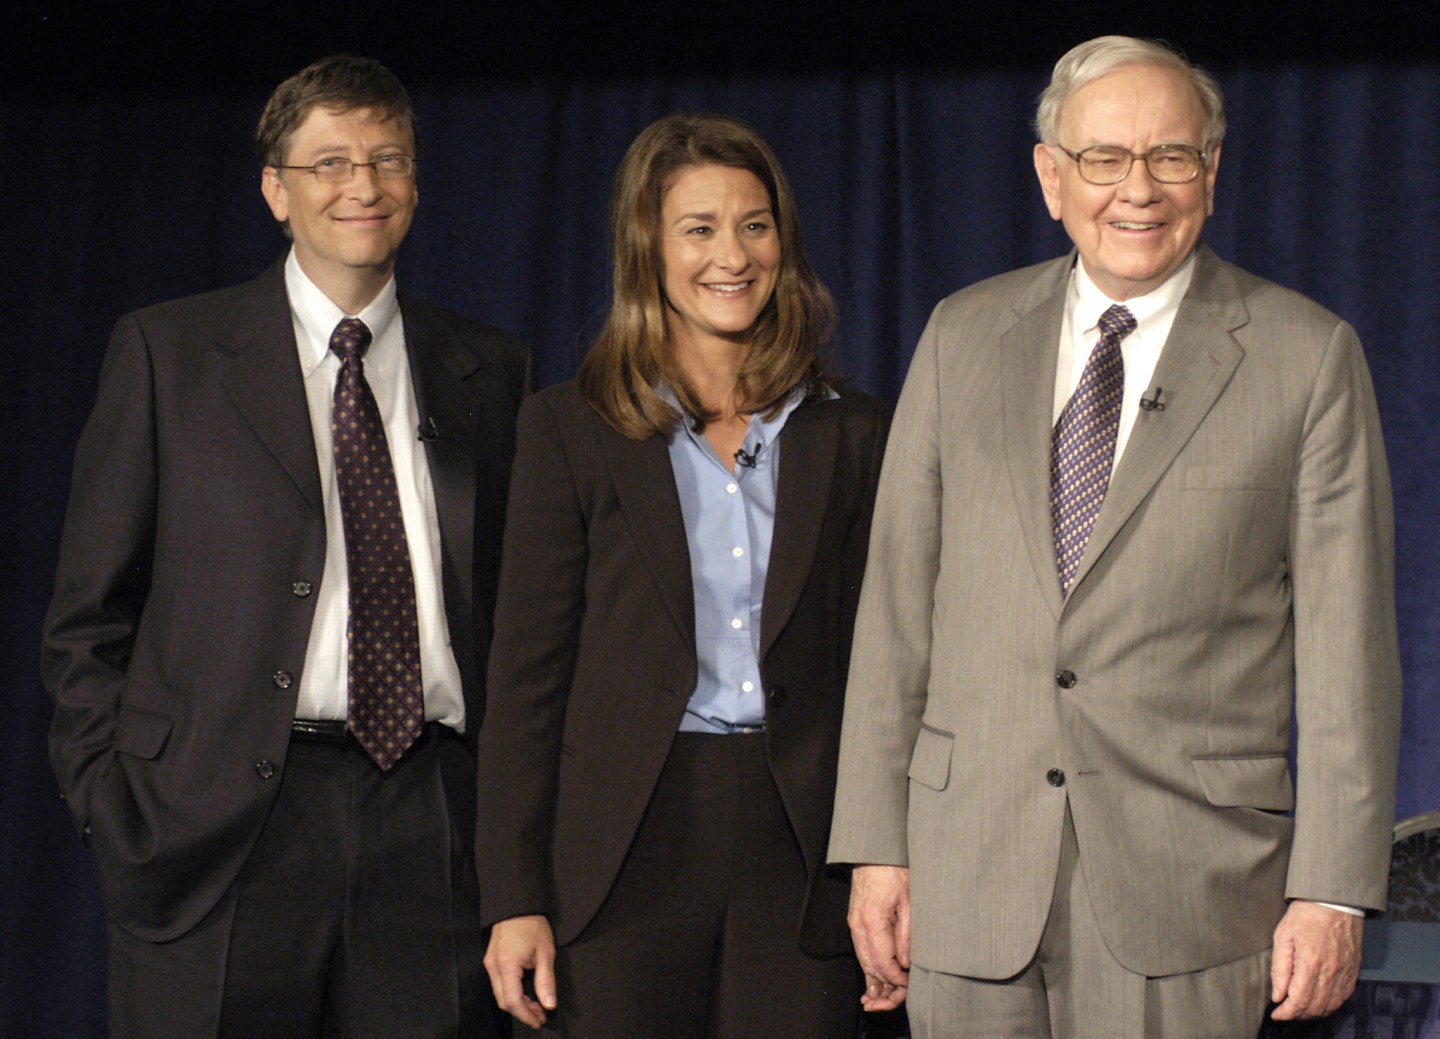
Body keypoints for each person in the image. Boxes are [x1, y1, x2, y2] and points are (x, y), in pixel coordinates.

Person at [828, 35, 1402, 1038]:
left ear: (1211, 171)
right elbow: (897, 613)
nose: (1138, 188)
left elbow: (1347, 651)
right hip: (968, 875)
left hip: (1190, 890)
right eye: (1104, 158)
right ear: (1052, 177)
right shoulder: (961, 335)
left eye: (1170, 155)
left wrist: (1333, 890)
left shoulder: (1307, 357)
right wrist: (877, 845)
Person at [42, 54, 531, 1037]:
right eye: (331, 162)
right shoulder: (170, 354)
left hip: (431, 821)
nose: (364, 185)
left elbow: (520, 620)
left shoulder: (492, 368)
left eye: (388, 158)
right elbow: (89, 615)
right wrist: (115, 804)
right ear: (276, 190)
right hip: (217, 829)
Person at [475, 112, 889, 1037]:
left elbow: (887, 670)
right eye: (699, 228)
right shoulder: (569, 428)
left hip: (803, 850)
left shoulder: (854, 431)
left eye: (755, 225)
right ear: (647, 248)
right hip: (620, 849)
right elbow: (527, 678)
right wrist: (513, 893)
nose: (732, 256)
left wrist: (886, 860)